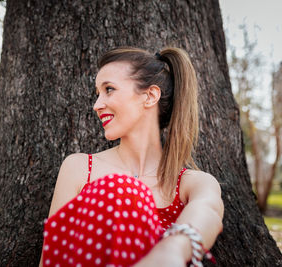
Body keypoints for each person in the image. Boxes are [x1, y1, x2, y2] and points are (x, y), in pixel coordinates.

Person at [39, 47, 224, 267]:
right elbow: (50, 258)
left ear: (150, 95)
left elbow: (208, 211)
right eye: (98, 93)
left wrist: (171, 250)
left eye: (109, 89)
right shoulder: (79, 168)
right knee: (123, 189)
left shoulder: (191, 182)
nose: (96, 105)